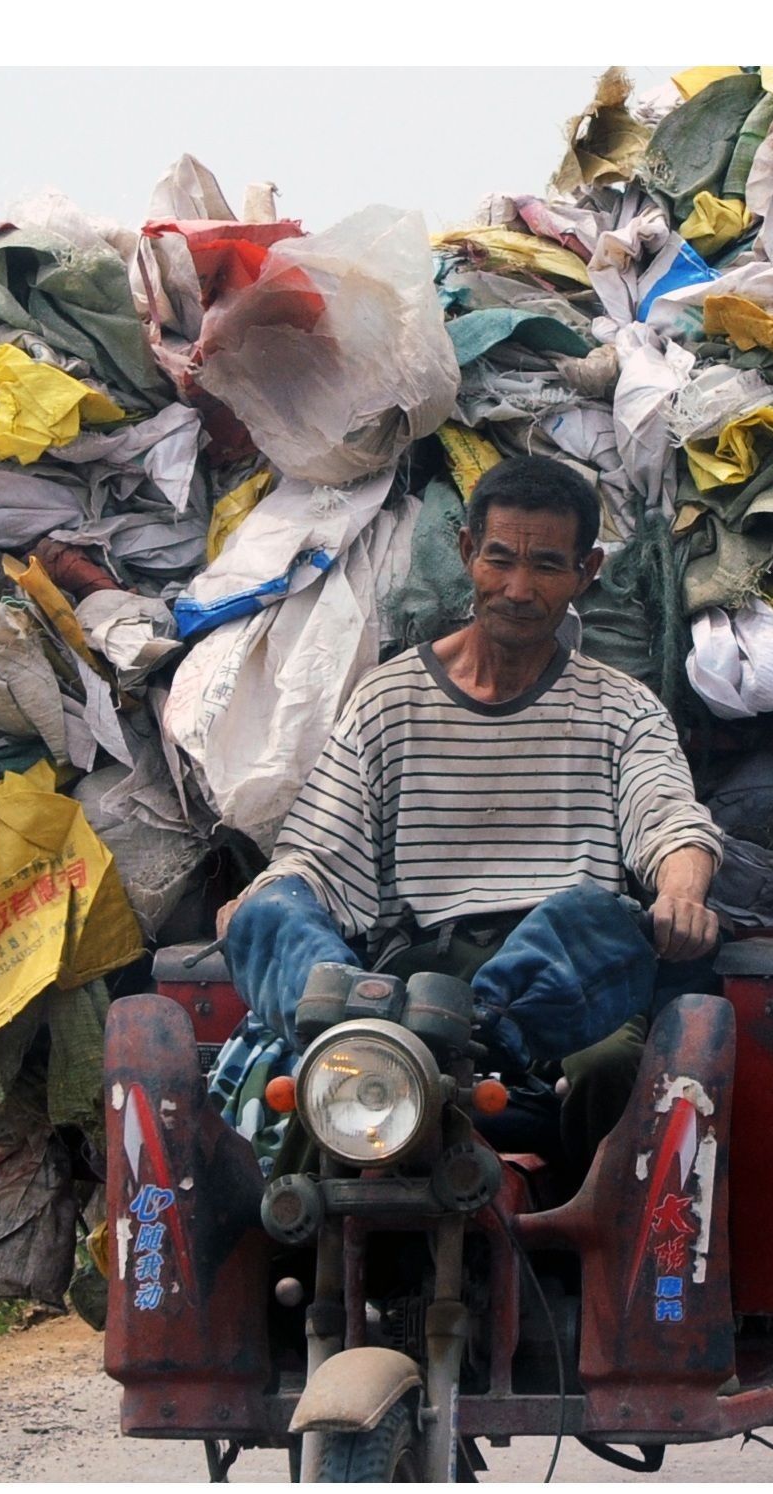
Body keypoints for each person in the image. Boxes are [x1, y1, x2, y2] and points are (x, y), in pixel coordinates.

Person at [214, 455, 724, 1173]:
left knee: (610, 1050)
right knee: (316, 1027)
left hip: (559, 973)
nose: (519, 589)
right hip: (416, 977)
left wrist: (680, 892)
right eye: (500, 559)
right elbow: (320, 855)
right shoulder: (386, 700)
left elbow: (669, 818)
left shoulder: (622, 707)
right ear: (465, 553)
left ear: (587, 571)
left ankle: (589, 1264)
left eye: (547, 565)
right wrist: (260, 900)